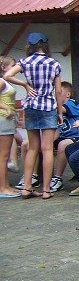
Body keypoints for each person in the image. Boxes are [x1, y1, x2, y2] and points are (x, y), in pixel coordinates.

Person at [3, 32, 63, 199]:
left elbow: (7, 75)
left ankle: (26, 187)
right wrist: (59, 111)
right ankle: (46, 190)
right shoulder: (54, 64)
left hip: (30, 106)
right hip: (48, 107)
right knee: (47, 149)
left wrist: (24, 84)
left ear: (30, 45)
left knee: (32, 148)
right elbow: (58, 91)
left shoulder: (24, 62)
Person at [50, 81, 79, 192]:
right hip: (65, 136)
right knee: (32, 144)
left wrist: (44, 103)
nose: (55, 95)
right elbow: (57, 130)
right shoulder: (56, 112)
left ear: (68, 94)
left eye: (59, 92)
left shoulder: (71, 103)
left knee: (63, 145)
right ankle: (34, 176)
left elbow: (59, 109)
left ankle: (57, 178)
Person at [0, 56, 20, 197]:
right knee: (4, 155)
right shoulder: (1, 82)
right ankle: (3, 187)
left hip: (8, 120)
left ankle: (6, 185)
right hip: (3, 118)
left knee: (4, 155)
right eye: (12, 65)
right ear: (4, 67)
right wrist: (6, 108)